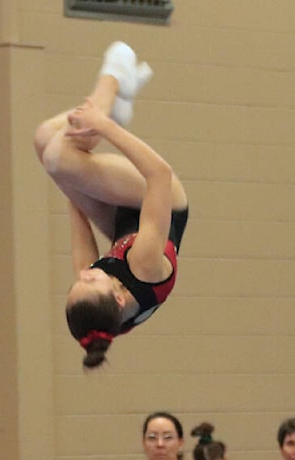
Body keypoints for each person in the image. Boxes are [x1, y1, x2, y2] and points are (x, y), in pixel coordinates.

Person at [33, 41, 189, 368]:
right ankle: (115, 76)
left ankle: (115, 104)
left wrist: (72, 181)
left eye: (75, 285)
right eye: (89, 282)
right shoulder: (145, 265)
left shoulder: (100, 310)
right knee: (60, 157)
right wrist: (105, 127)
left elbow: (74, 204)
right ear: (119, 297)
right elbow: (159, 174)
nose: (83, 276)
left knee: (46, 141)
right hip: (162, 199)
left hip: (123, 226)